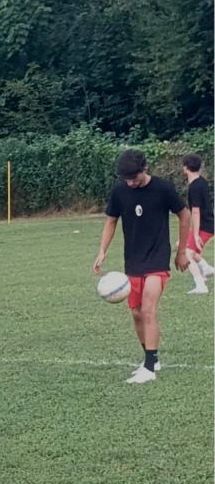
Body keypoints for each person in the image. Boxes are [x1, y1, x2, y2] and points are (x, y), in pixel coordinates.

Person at [93, 150, 190, 384]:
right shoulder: (119, 192)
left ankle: (149, 368)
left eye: (134, 178)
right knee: (136, 314)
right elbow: (111, 221)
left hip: (157, 258)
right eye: (126, 179)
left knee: (148, 310)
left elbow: (184, 215)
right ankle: (151, 358)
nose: (130, 183)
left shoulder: (163, 188)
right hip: (133, 261)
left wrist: (181, 252)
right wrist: (102, 251)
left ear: (145, 169)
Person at [182, 153, 215, 295]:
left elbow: (196, 211)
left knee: (187, 254)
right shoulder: (201, 182)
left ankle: (201, 285)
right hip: (206, 224)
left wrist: (195, 234)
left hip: (205, 226)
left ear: (185, 168)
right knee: (183, 246)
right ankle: (207, 269)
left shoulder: (195, 186)